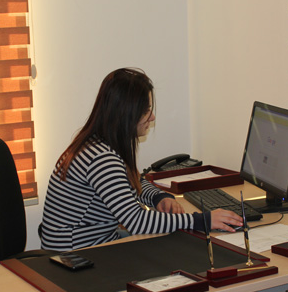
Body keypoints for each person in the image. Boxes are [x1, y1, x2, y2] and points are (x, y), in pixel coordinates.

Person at [40, 68, 242, 251]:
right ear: (126, 115)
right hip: (77, 255)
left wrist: (158, 197)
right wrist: (202, 220)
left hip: (95, 242)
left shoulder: (99, 142)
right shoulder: (101, 159)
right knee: (176, 251)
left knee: (170, 245)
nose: (152, 117)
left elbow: (131, 181)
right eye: (145, 111)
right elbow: (136, 221)